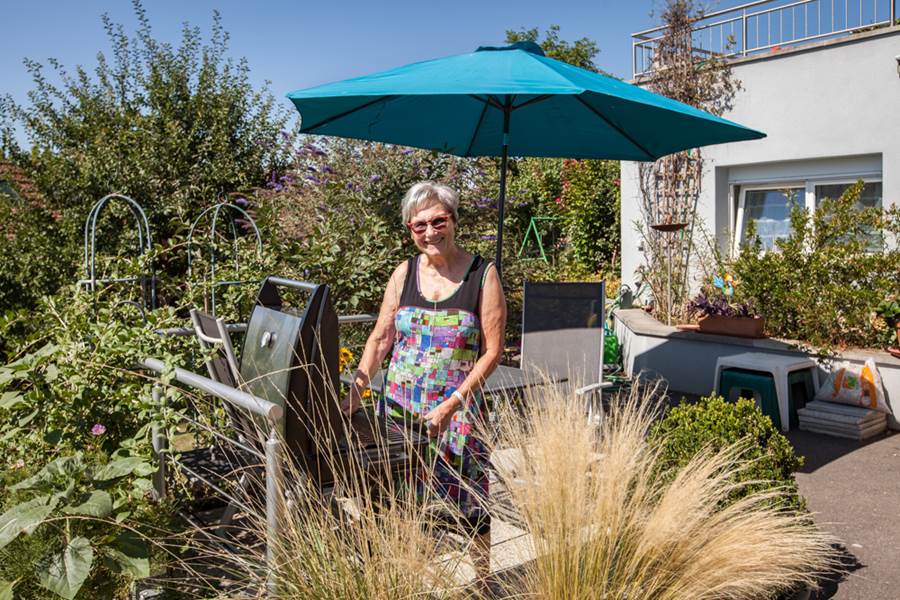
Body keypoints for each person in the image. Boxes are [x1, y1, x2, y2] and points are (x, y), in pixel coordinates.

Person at [341, 180, 506, 582]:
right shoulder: (404, 274)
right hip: (399, 409)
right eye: (419, 226)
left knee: (469, 505)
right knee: (396, 500)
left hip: (457, 414)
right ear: (410, 230)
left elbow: (493, 352)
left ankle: (483, 581)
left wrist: (452, 405)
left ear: (454, 221)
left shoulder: (483, 275)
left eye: (438, 221)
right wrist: (357, 390)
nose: (430, 232)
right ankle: (403, 579)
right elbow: (381, 338)